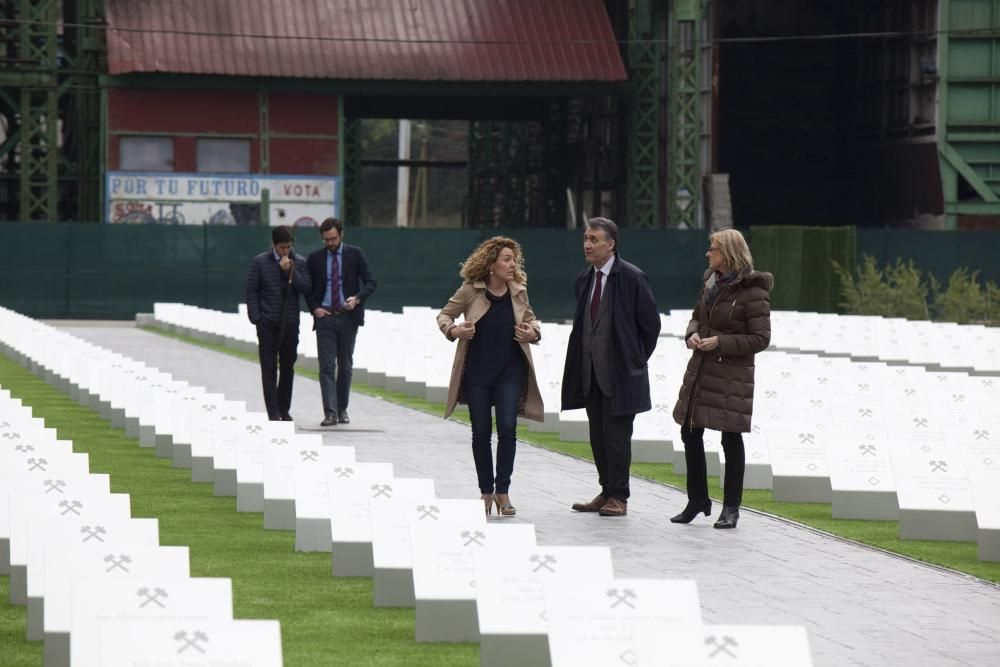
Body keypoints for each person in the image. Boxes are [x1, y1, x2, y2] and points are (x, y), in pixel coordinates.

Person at [670, 228, 772, 529]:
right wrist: (692, 334)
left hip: (731, 377)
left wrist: (721, 342)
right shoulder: (710, 282)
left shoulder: (753, 291)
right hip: (701, 370)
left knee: (731, 438)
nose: (707, 252)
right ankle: (697, 500)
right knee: (690, 432)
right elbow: (697, 317)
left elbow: (760, 338)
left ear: (727, 253)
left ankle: (731, 508)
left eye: (712, 248)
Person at [437, 236, 543, 516]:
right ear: (492, 263)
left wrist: (533, 332)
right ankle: (486, 492)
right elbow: (445, 315)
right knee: (481, 433)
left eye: (514, 260)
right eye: (507, 259)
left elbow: (531, 318)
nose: (512, 265)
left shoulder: (518, 290)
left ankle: (503, 492)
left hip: (510, 371)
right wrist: (454, 331)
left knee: (508, 430)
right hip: (477, 373)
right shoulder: (470, 290)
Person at [562, 218, 661, 517]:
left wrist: (635, 360)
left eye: (594, 239)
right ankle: (606, 491)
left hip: (620, 376)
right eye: (585, 239)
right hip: (590, 372)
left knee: (617, 439)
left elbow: (650, 326)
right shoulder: (584, 279)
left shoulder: (632, 277)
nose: (587, 245)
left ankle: (620, 496)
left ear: (611, 244)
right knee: (598, 438)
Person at [305, 217, 378, 427]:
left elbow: (371, 280)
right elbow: (309, 289)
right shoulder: (315, 259)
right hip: (325, 317)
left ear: (341, 234)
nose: (330, 243)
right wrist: (315, 308)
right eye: (326, 239)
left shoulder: (355, 254)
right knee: (326, 366)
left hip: (348, 317)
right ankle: (330, 412)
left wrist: (357, 298)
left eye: (333, 238)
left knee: (345, 365)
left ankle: (342, 408)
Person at [245, 225, 311, 421]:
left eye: (288, 247)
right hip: (267, 322)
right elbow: (252, 291)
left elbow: (305, 288)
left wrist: (290, 271)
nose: (285, 251)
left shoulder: (299, 262)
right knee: (268, 367)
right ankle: (273, 412)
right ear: (273, 245)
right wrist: (256, 317)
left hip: (290, 322)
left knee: (288, 366)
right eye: (281, 247)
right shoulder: (259, 262)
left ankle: (284, 409)